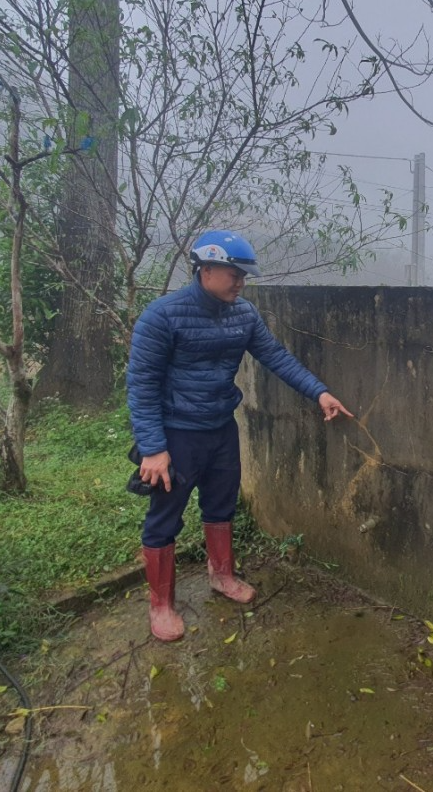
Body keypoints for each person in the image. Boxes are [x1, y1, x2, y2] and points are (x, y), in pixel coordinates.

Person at [127, 230, 352, 642]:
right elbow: (141, 385)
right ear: (206, 270)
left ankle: (222, 576)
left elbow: (276, 357)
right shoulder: (161, 316)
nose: (241, 283)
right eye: (234, 274)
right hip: (176, 435)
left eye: (244, 276)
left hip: (220, 428)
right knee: (163, 519)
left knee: (221, 503)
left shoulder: (243, 315)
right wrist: (154, 448)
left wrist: (319, 392)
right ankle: (161, 605)